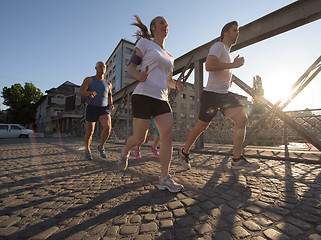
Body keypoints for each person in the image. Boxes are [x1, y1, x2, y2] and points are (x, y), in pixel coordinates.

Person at [179, 21, 259, 171]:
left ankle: (236, 160)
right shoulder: (218, 46)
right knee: (202, 126)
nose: (237, 33)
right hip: (211, 95)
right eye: (235, 30)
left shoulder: (227, 52)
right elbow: (209, 65)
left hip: (223, 95)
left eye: (238, 31)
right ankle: (184, 152)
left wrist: (228, 78)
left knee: (242, 117)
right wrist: (233, 66)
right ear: (226, 32)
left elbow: (219, 69)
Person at [117, 15, 184, 193]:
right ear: (153, 27)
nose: (165, 26)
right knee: (140, 138)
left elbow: (168, 80)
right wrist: (138, 76)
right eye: (162, 23)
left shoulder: (170, 56)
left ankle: (164, 178)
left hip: (162, 98)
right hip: (144, 95)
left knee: (167, 136)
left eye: (167, 24)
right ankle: (125, 151)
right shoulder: (144, 43)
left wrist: (176, 85)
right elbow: (130, 66)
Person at [78, 61, 114, 160]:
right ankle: (87, 150)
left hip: (104, 108)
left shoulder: (108, 83)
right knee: (90, 131)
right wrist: (88, 93)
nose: (102, 68)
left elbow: (110, 95)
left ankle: (101, 147)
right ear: (96, 68)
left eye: (104, 66)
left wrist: (111, 104)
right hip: (91, 107)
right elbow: (80, 92)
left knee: (107, 128)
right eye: (100, 66)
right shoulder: (89, 80)